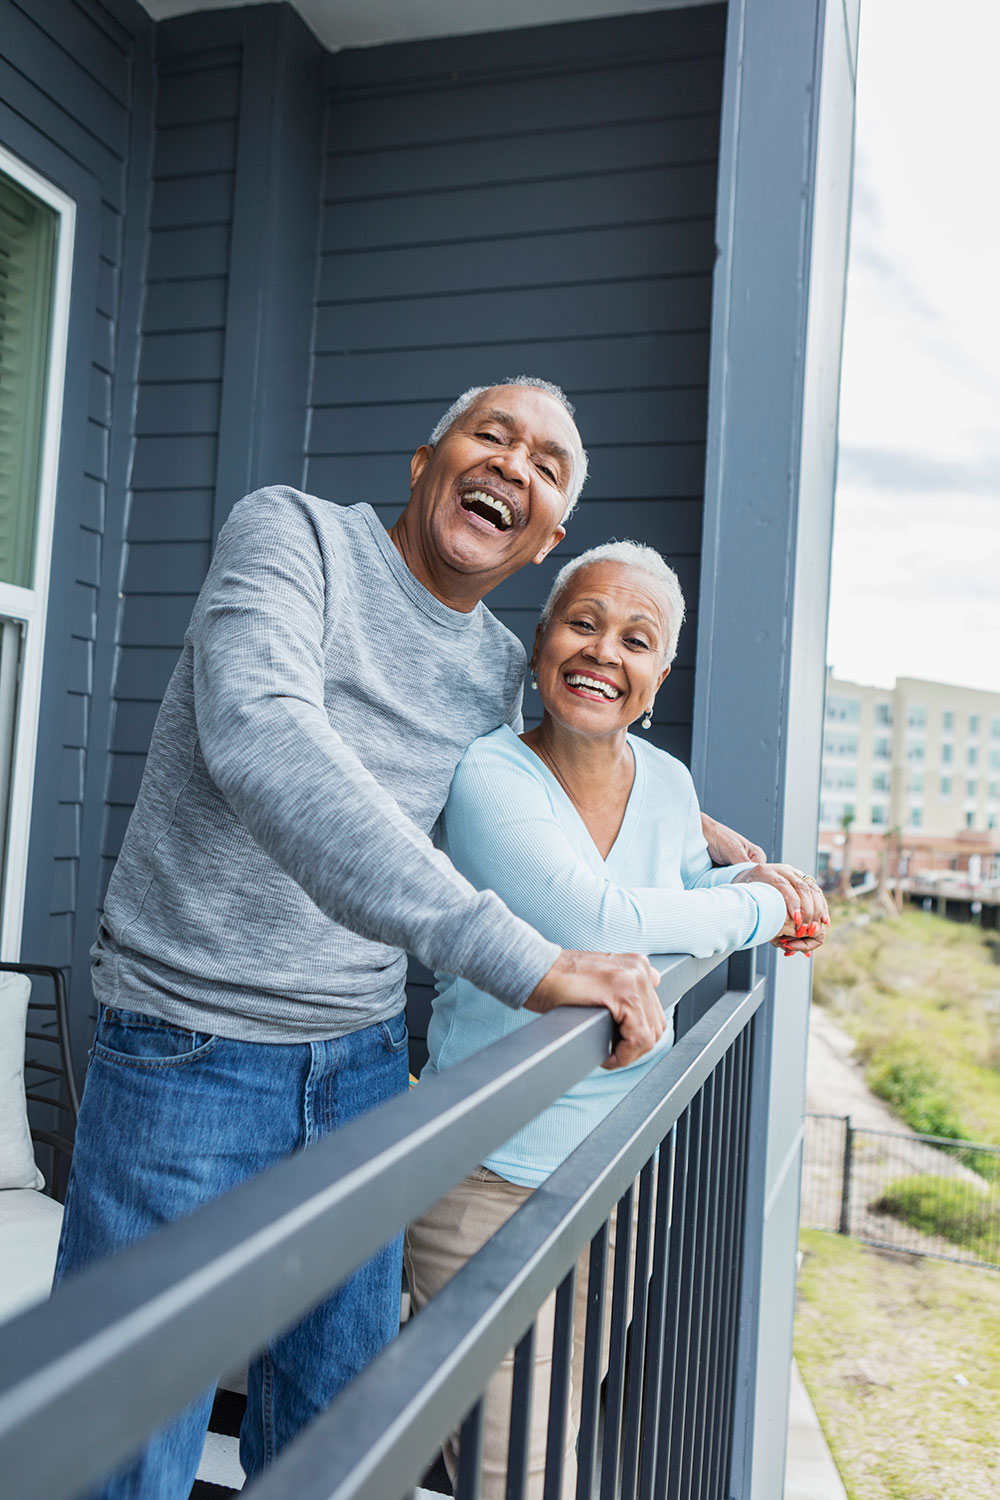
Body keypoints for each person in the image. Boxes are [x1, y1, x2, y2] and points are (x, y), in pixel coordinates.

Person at [53, 377, 767, 1500]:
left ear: (543, 543)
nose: (512, 467)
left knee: (339, 1441)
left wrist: (714, 839)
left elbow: (565, 761)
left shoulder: (496, 670)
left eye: (545, 467)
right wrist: (522, 960)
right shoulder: (292, 538)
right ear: (425, 460)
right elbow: (263, 737)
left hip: (363, 1068)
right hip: (188, 1052)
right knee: (129, 1446)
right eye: (494, 437)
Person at [405, 540, 828, 1500]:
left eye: (635, 640)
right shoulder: (491, 776)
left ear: (658, 677)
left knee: (551, 1436)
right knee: (514, 1471)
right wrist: (771, 909)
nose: (603, 652)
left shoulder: (670, 785)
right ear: (542, 640)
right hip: (488, 1179)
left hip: (615, 1176)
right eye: (582, 623)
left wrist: (738, 880)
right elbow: (595, 921)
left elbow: (673, 904)